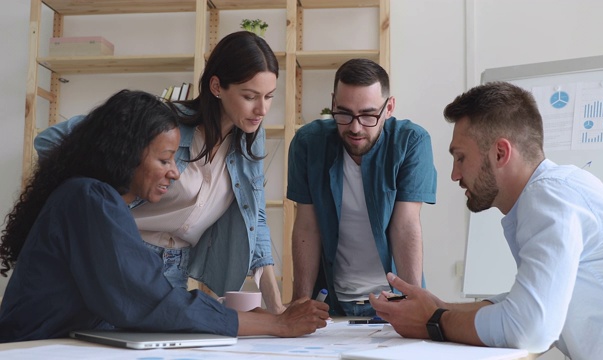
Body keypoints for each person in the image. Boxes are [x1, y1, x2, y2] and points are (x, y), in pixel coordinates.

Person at [0, 90, 329, 342]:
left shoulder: (95, 200)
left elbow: (148, 299)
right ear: (126, 152)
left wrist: (251, 315)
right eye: (165, 159)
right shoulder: (90, 200)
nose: (174, 173)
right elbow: (151, 302)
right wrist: (275, 323)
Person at [370, 82, 603, 359]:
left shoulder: (550, 196)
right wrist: (438, 306)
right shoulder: (556, 190)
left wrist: (433, 322)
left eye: (461, 158)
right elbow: (523, 303)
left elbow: (532, 327)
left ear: (500, 153)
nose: (454, 174)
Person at [34, 31, 286, 314]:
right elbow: (48, 141)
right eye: (250, 96)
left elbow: (256, 217)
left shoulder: (250, 138)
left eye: (269, 96)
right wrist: (94, 204)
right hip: (120, 253)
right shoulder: (165, 123)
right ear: (217, 86)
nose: (261, 109)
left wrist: (277, 308)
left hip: (175, 267)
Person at [287, 58, 437, 316]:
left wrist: (414, 303)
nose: (355, 128)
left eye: (368, 115)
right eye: (344, 113)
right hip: (329, 300)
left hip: (392, 301)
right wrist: (300, 301)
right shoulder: (308, 143)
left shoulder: (411, 142)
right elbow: (307, 226)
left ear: (388, 108)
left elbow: (406, 226)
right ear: (333, 103)